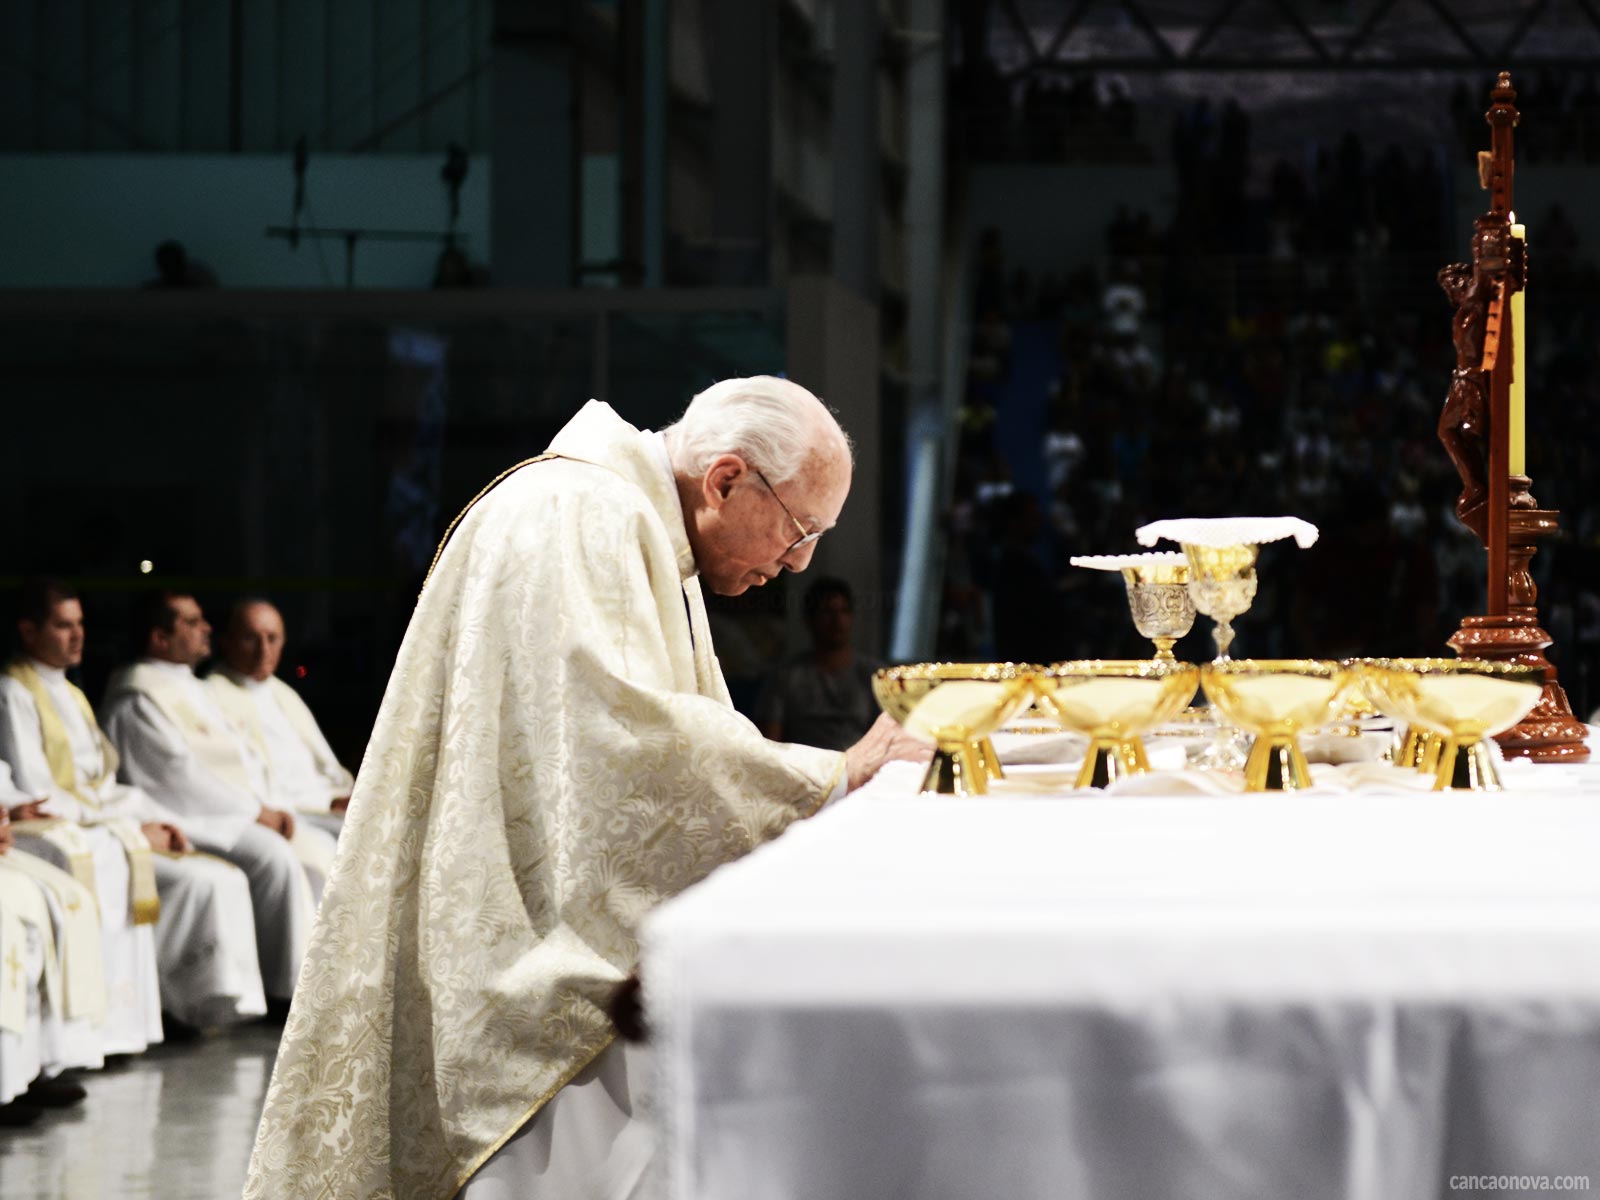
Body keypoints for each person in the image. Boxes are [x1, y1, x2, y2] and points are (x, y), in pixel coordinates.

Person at [245, 376, 928, 1199]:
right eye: (798, 531)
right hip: (526, 951)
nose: (799, 564)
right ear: (725, 479)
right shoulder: (583, 516)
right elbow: (622, 743)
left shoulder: (629, 520)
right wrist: (832, 774)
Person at [0, 579, 266, 1030]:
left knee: (214, 876)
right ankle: (118, 1021)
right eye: (64, 625)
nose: (78, 636)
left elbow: (102, 783)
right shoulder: (14, 691)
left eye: (80, 624)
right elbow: (37, 792)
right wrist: (129, 829)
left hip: (99, 824)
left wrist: (150, 818)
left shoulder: (72, 694)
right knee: (190, 880)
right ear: (28, 631)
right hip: (68, 831)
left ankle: (167, 1014)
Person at [101, 592, 335, 1004]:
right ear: (159, 638)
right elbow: (177, 776)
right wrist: (253, 810)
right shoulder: (139, 695)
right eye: (192, 622)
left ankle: (308, 980)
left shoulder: (188, 686)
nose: (206, 627)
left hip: (225, 810)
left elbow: (242, 755)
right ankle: (290, 990)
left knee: (304, 848)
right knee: (274, 857)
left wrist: (261, 804)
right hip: (186, 814)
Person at [207, 598, 351, 837]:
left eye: (272, 638)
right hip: (286, 815)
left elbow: (324, 766)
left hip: (324, 806)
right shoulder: (211, 694)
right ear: (226, 642)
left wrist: (338, 796)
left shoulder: (284, 693)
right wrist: (326, 802)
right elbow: (247, 781)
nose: (263, 649)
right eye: (251, 638)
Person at [755, 576, 885, 751]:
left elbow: (890, 737)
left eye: (844, 611)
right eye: (827, 611)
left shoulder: (875, 674)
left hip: (861, 769)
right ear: (809, 619)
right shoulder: (785, 677)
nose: (837, 621)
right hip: (803, 771)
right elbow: (769, 744)